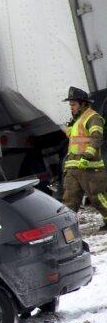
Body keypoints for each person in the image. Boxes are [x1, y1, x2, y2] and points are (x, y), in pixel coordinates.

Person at [61, 86, 107, 229]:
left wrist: (87, 157)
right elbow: (74, 140)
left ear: (83, 104)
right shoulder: (77, 120)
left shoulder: (93, 118)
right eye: (70, 104)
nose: (71, 107)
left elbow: (96, 138)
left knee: (98, 198)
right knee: (69, 201)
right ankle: (67, 229)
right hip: (73, 168)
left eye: (73, 104)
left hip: (89, 168)